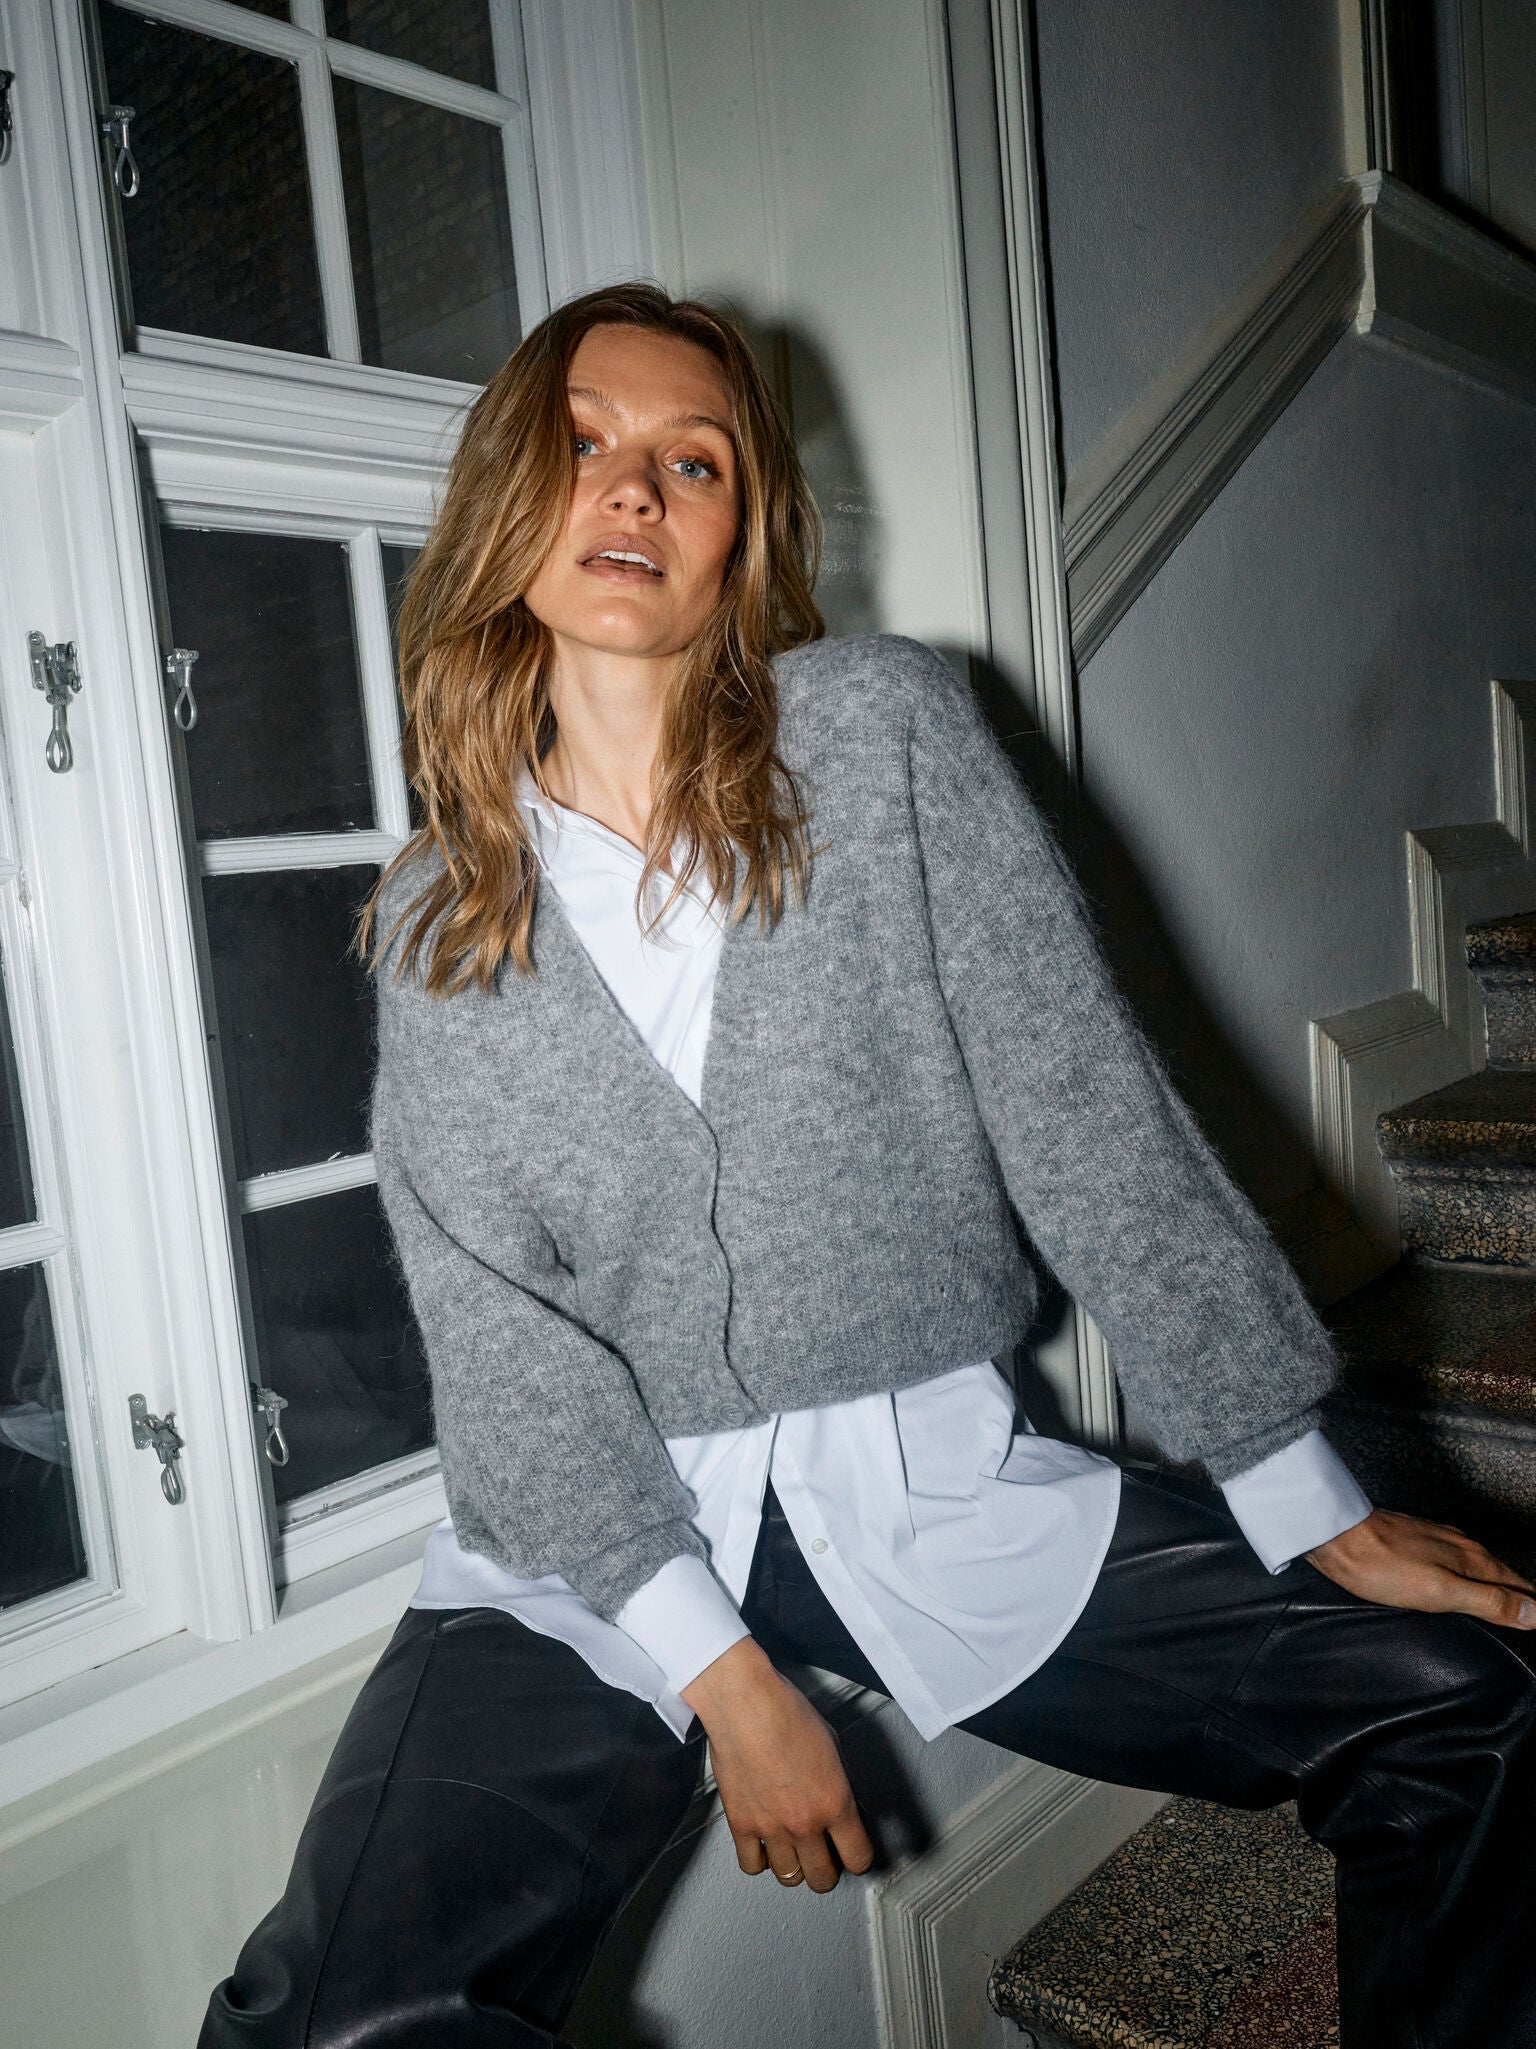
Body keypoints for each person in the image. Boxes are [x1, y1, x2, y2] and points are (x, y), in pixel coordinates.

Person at [199, 283, 1536, 2049]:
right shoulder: (440, 919)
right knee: (326, 2019)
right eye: (584, 444)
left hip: (925, 1486)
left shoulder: (883, 736)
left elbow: (1087, 1116)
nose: (636, 487)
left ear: (741, 533)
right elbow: (499, 1339)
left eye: (695, 461)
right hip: (596, 1542)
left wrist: (1307, 1490)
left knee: (1470, 1701)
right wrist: (722, 1672)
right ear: (506, 504)